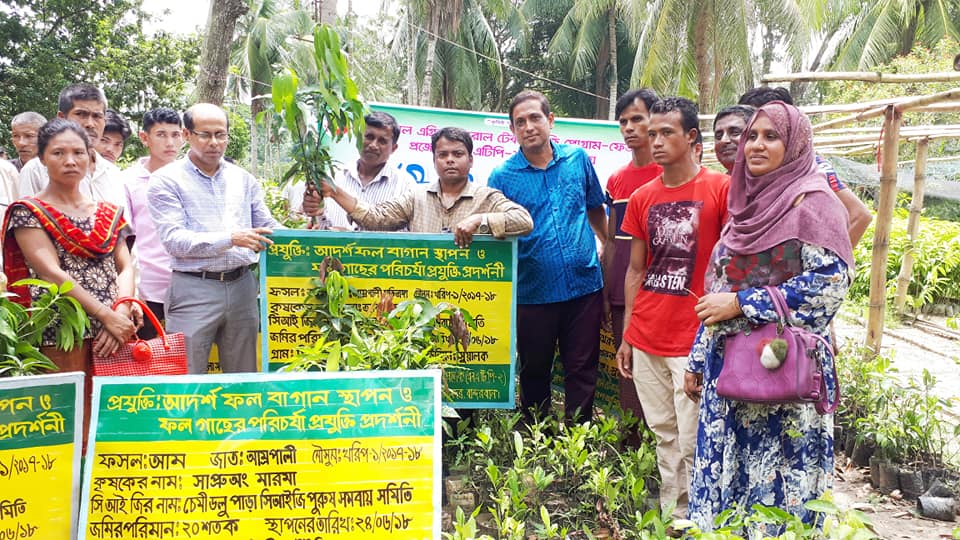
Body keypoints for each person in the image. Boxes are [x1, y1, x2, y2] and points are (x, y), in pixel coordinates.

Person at [684, 101, 853, 530]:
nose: (756, 145)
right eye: (752, 136)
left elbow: (830, 284)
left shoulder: (814, 204)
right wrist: (699, 358)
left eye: (770, 136)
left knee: (778, 492)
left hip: (782, 376)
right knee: (725, 485)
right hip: (728, 375)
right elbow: (717, 292)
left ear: (794, 144)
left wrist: (745, 304)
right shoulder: (744, 209)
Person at [614, 97, 729, 518]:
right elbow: (635, 271)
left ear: (692, 138)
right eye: (653, 132)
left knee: (694, 434)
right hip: (646, 334)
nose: (655, 140)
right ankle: (673, 513)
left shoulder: (720, 189)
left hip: (693, 339)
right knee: (663, 432)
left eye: (667, 133)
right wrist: (627, 335)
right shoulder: (643, 197)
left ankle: (702, 515)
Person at [2, 119, 137, 446]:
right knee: (68, 421)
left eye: (78, 152)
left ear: (91, 158)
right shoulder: (29, 212)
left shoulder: (109, 211)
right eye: (58, 153)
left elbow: (126, 265)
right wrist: (108, 317)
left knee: (115, 420)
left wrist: (122, 308)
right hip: (61, 330)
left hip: (115, 331)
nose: (70, 160)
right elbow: (51, 273)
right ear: (42, 159)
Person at [487, 90, 607, 422]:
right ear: (512, 131)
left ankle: (578, 440)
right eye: (519, 122)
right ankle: (538, 436)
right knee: (534, 369)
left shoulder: (577, 159)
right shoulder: (502, 176)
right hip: (533, 291)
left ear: (550, 120)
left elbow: (595, 206)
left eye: (535, 118)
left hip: (584, 286)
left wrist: (606, 244)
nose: (528, 127)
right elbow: (497, 227)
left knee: (582, 367)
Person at [148, 103, 280, 374]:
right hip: (194, 288)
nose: (214, 143)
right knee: (187, 376)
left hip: (243, 286)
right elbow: (174, 240)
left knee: (243, 377)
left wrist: (315, 234)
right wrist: (231, 238)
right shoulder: (165, 180)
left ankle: (241, 418)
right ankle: (185, 419)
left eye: (221, 135)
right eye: (205, 135)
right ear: (187, 135)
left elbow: (267, 227)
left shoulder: (243, 179)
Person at [320, 127, 533, 245]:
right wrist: (333, 192)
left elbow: (524, 221)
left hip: (473, 295)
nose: (450, 160)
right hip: (424, 297)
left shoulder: (487, 198)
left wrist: (481, 220)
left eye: (457, 154)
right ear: (434, 161)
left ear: (470, 161)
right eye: (443, 155)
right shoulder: (416, 196)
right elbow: (376, 218)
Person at [738, 87, 871, 245]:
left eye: (771, 133)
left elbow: (860, 215)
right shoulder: (749, 168)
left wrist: (832, 256)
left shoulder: (814, 168)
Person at [603, 89, 662, 427]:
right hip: (622, 295)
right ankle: (630, 454)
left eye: (636, 119)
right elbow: (611, 240)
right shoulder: (617, 180)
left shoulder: (669, 174)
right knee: (627, 374)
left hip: (664, 295)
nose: (628, 127)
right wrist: (605, 292)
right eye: (623, 121)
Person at [123, 107, 184, 339]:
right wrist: (133, 290)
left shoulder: (191, 177)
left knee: (192, 361)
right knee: (151, 359)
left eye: (175, 134)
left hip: (191, 285)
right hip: (148, 288)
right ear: (144, 138)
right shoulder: (128, 180)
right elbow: (125, 239)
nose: (170, 142)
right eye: (161, 134)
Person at [18, 84, 125, 211]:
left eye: (97, 116)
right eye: (81, 114)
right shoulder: (35, 170)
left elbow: (123, 225)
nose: (90, 124)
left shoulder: (113, 173)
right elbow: (27, 220)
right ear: (61, 117)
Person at [320, 111, 416, 230]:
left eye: (382, 141)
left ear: (393, 148)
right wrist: (316, 215)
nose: (373, 145)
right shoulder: (334, 177)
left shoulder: (405, 186)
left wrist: (351, 238)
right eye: (369, 137)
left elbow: (406, 236)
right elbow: (318, 225)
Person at [712, 105, 755, 173]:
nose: (723, 140)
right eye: (718, 136)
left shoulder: (773, 182)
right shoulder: (718, 182)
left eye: (735, 132)